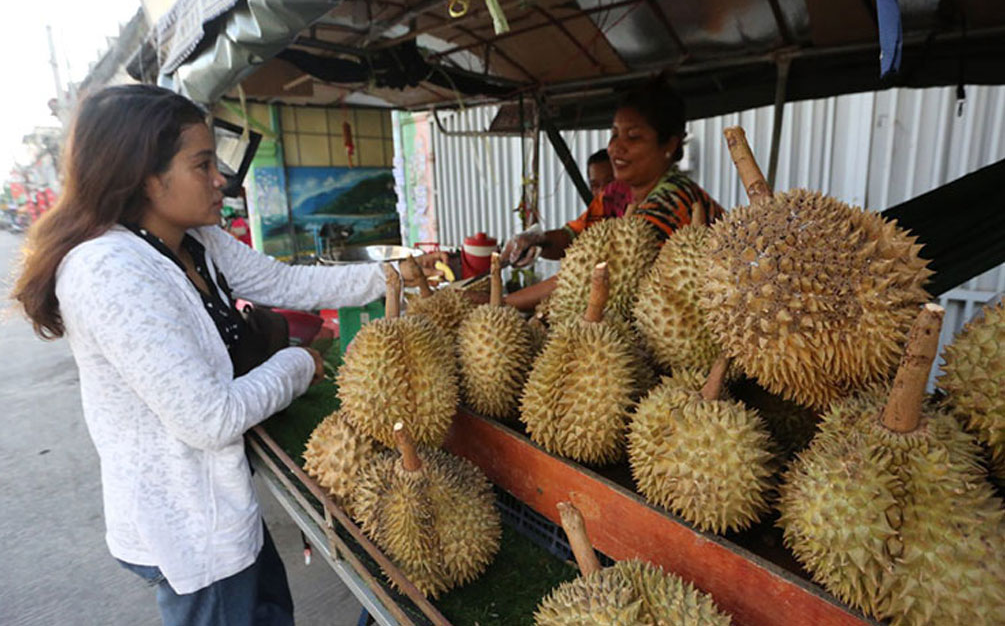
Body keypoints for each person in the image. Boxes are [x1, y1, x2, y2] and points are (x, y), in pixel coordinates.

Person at [10, 84, 445, 626]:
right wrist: (299, 363)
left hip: (222, 505)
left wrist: (390, 274)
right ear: (146, 175)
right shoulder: (110, 272)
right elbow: (209, 418)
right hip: (188, 531)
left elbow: (284, 282)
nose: (222, 180)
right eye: (203, 164)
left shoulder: (192, 240)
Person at [504, 78, 724, 312]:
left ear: (669, 145)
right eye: (614, 134)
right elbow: (575, 235)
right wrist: (539, 240)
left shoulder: (675, 202)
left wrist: (502, 303)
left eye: (633, 136)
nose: (615, 148)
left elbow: (602, 276)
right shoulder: (617, 192)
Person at [500, 149, 623, 266]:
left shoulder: (638, 207)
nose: (602, 191)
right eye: (595, 185)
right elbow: (571, 237)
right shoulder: (600, 209)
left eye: (609, 182)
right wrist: (536, 240)